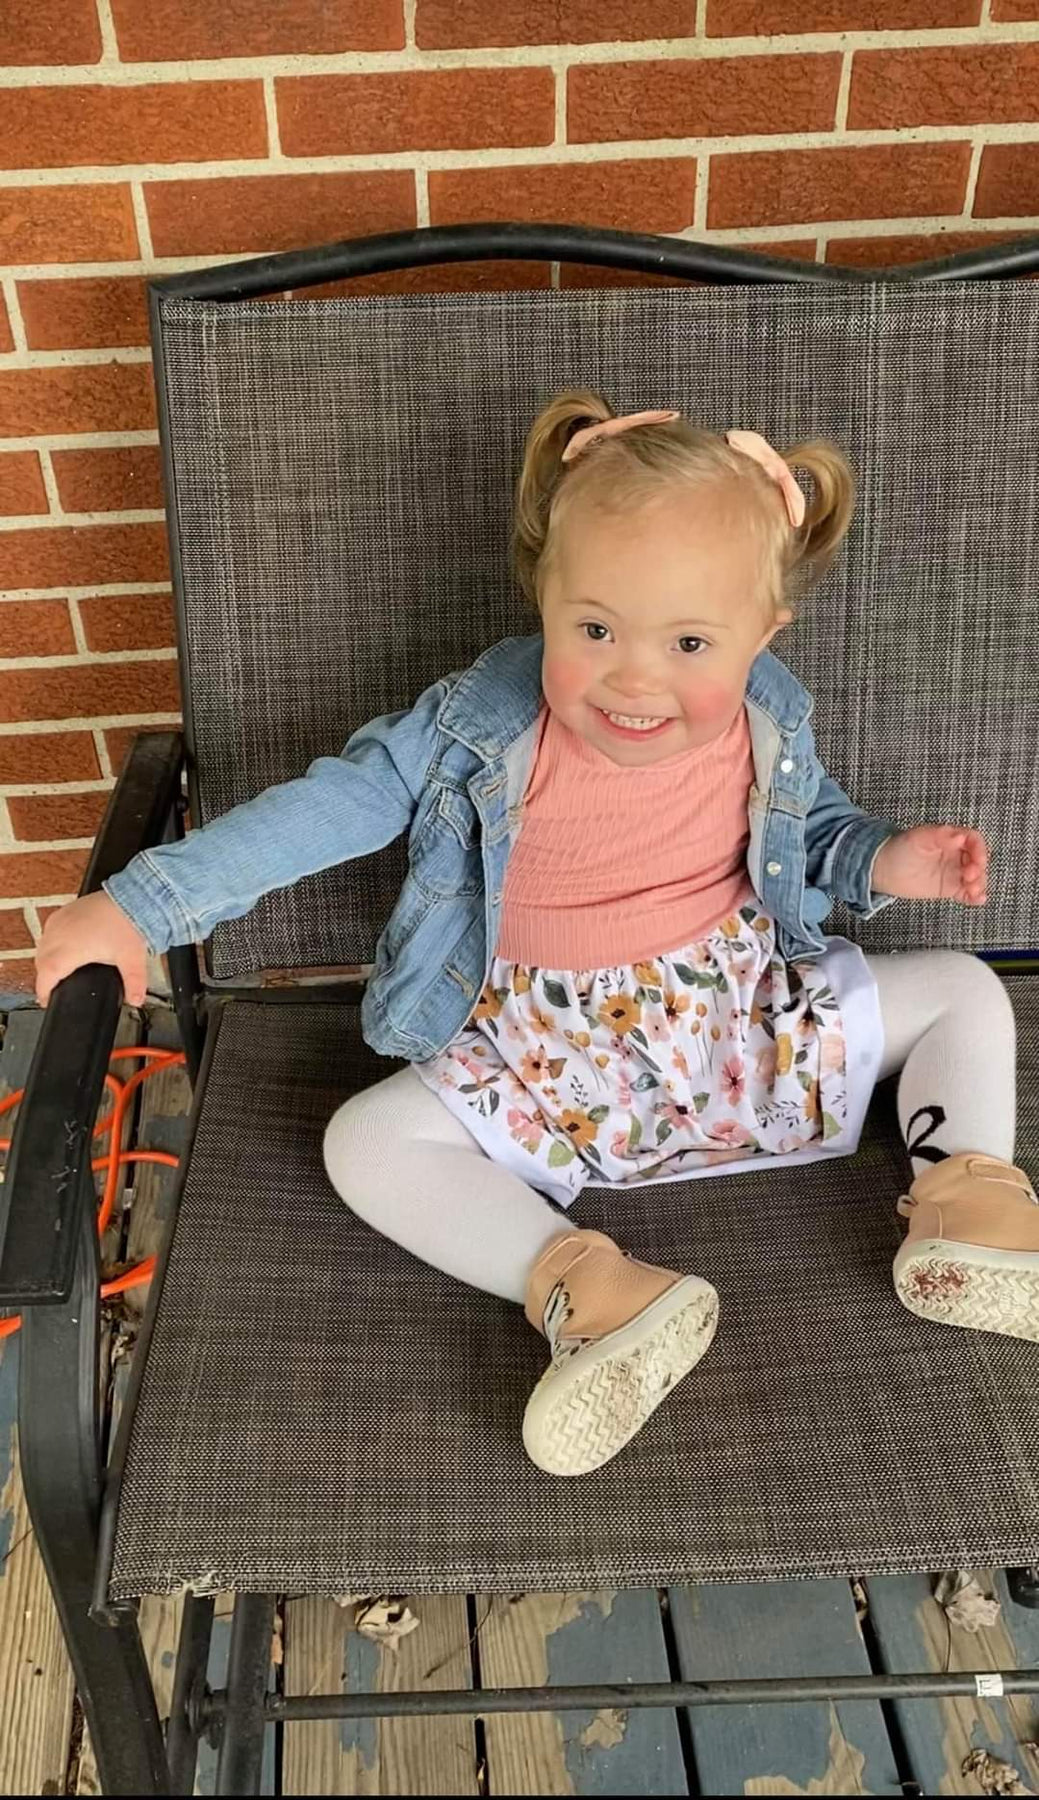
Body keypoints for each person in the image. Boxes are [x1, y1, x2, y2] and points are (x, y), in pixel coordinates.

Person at [34, 393, 1039, 1479]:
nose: (634, 678)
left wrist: (890, 861)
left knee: (963, 988)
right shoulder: (479, 724)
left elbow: (818, 834)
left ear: (762, 636)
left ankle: (968, 1204)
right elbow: (324, 809)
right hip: (551, 1062)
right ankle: (591, 1288)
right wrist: (138, 906)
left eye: (689, 642)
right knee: (363, 1143)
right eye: (594, 630)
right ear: (543, 599)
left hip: (744, 1030)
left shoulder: (769, 712)